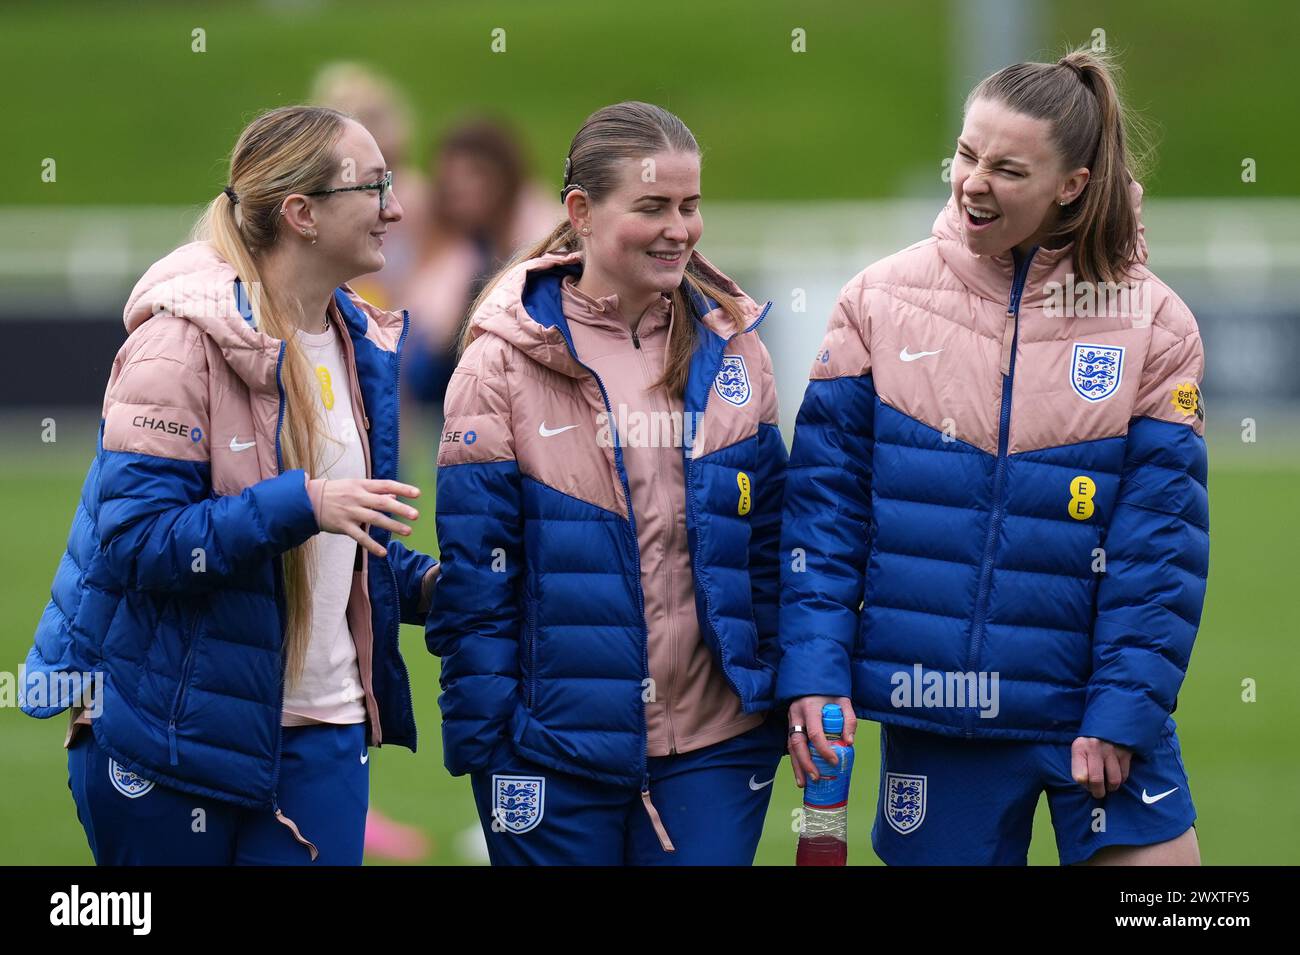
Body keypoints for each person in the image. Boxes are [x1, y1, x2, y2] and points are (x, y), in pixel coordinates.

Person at [778, 49, 1208, 866]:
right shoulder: (876, 301)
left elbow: (1159, 551)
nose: (973, 181)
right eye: (967, 154)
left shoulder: (1154, 323)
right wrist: (815, 670)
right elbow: (823, 520)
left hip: (1093, 715)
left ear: (1072, 184)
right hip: (938, 714)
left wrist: (1120, 713)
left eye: (1007, 168)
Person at [22, 105, 438, 865]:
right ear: (302, 212)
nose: (398, 207)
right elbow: (140, 545)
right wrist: (302, 504)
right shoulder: (176, 343)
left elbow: (335, 546)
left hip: (326, 735)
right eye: (374, 186)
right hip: (172, 737)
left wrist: (431, 587)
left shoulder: (363, 342)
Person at [426, 101, 788, 865]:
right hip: (551, 752)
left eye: (690, 206)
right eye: (652, 206)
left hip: (715, 750)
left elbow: (768, 550)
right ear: (581, 212)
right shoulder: (499, 362)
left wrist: (777, 695)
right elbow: (476, 583)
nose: (679, 228)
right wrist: (494, 746)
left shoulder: (735, 350)